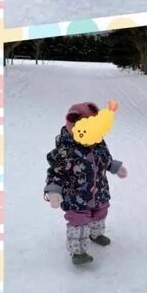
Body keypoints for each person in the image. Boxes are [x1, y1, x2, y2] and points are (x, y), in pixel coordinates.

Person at [43, 102, 127, 265]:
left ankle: (96, 234)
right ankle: (78, 251)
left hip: (99, 192)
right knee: (79, 223)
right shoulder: (66, 152)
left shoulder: (98, 142)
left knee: (100, 214)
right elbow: (56, 173)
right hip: (76, 198)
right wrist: (54, 191)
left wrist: (116, 167)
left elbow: (105, 159)